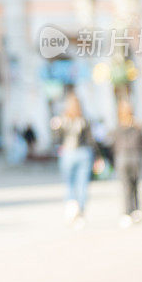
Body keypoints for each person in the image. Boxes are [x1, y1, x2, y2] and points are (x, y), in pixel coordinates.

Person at [50, 92, 94, 228]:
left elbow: (57, 139)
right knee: (82, 184)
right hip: (83, 153)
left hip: (68, 153)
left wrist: (55, 127)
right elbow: (90, 140)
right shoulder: (84, 120)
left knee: (70, 183)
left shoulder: (62, 120)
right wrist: (97, 156)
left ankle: (71, 207)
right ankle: (80, 212)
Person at [112, 99, 142, 228]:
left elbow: (114, 144)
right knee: (135, 185)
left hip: (122, 158)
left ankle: (127, 212)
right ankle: (136, 210)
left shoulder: (118, 126)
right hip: (135, 157)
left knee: (126, 186)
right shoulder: (137, 126)